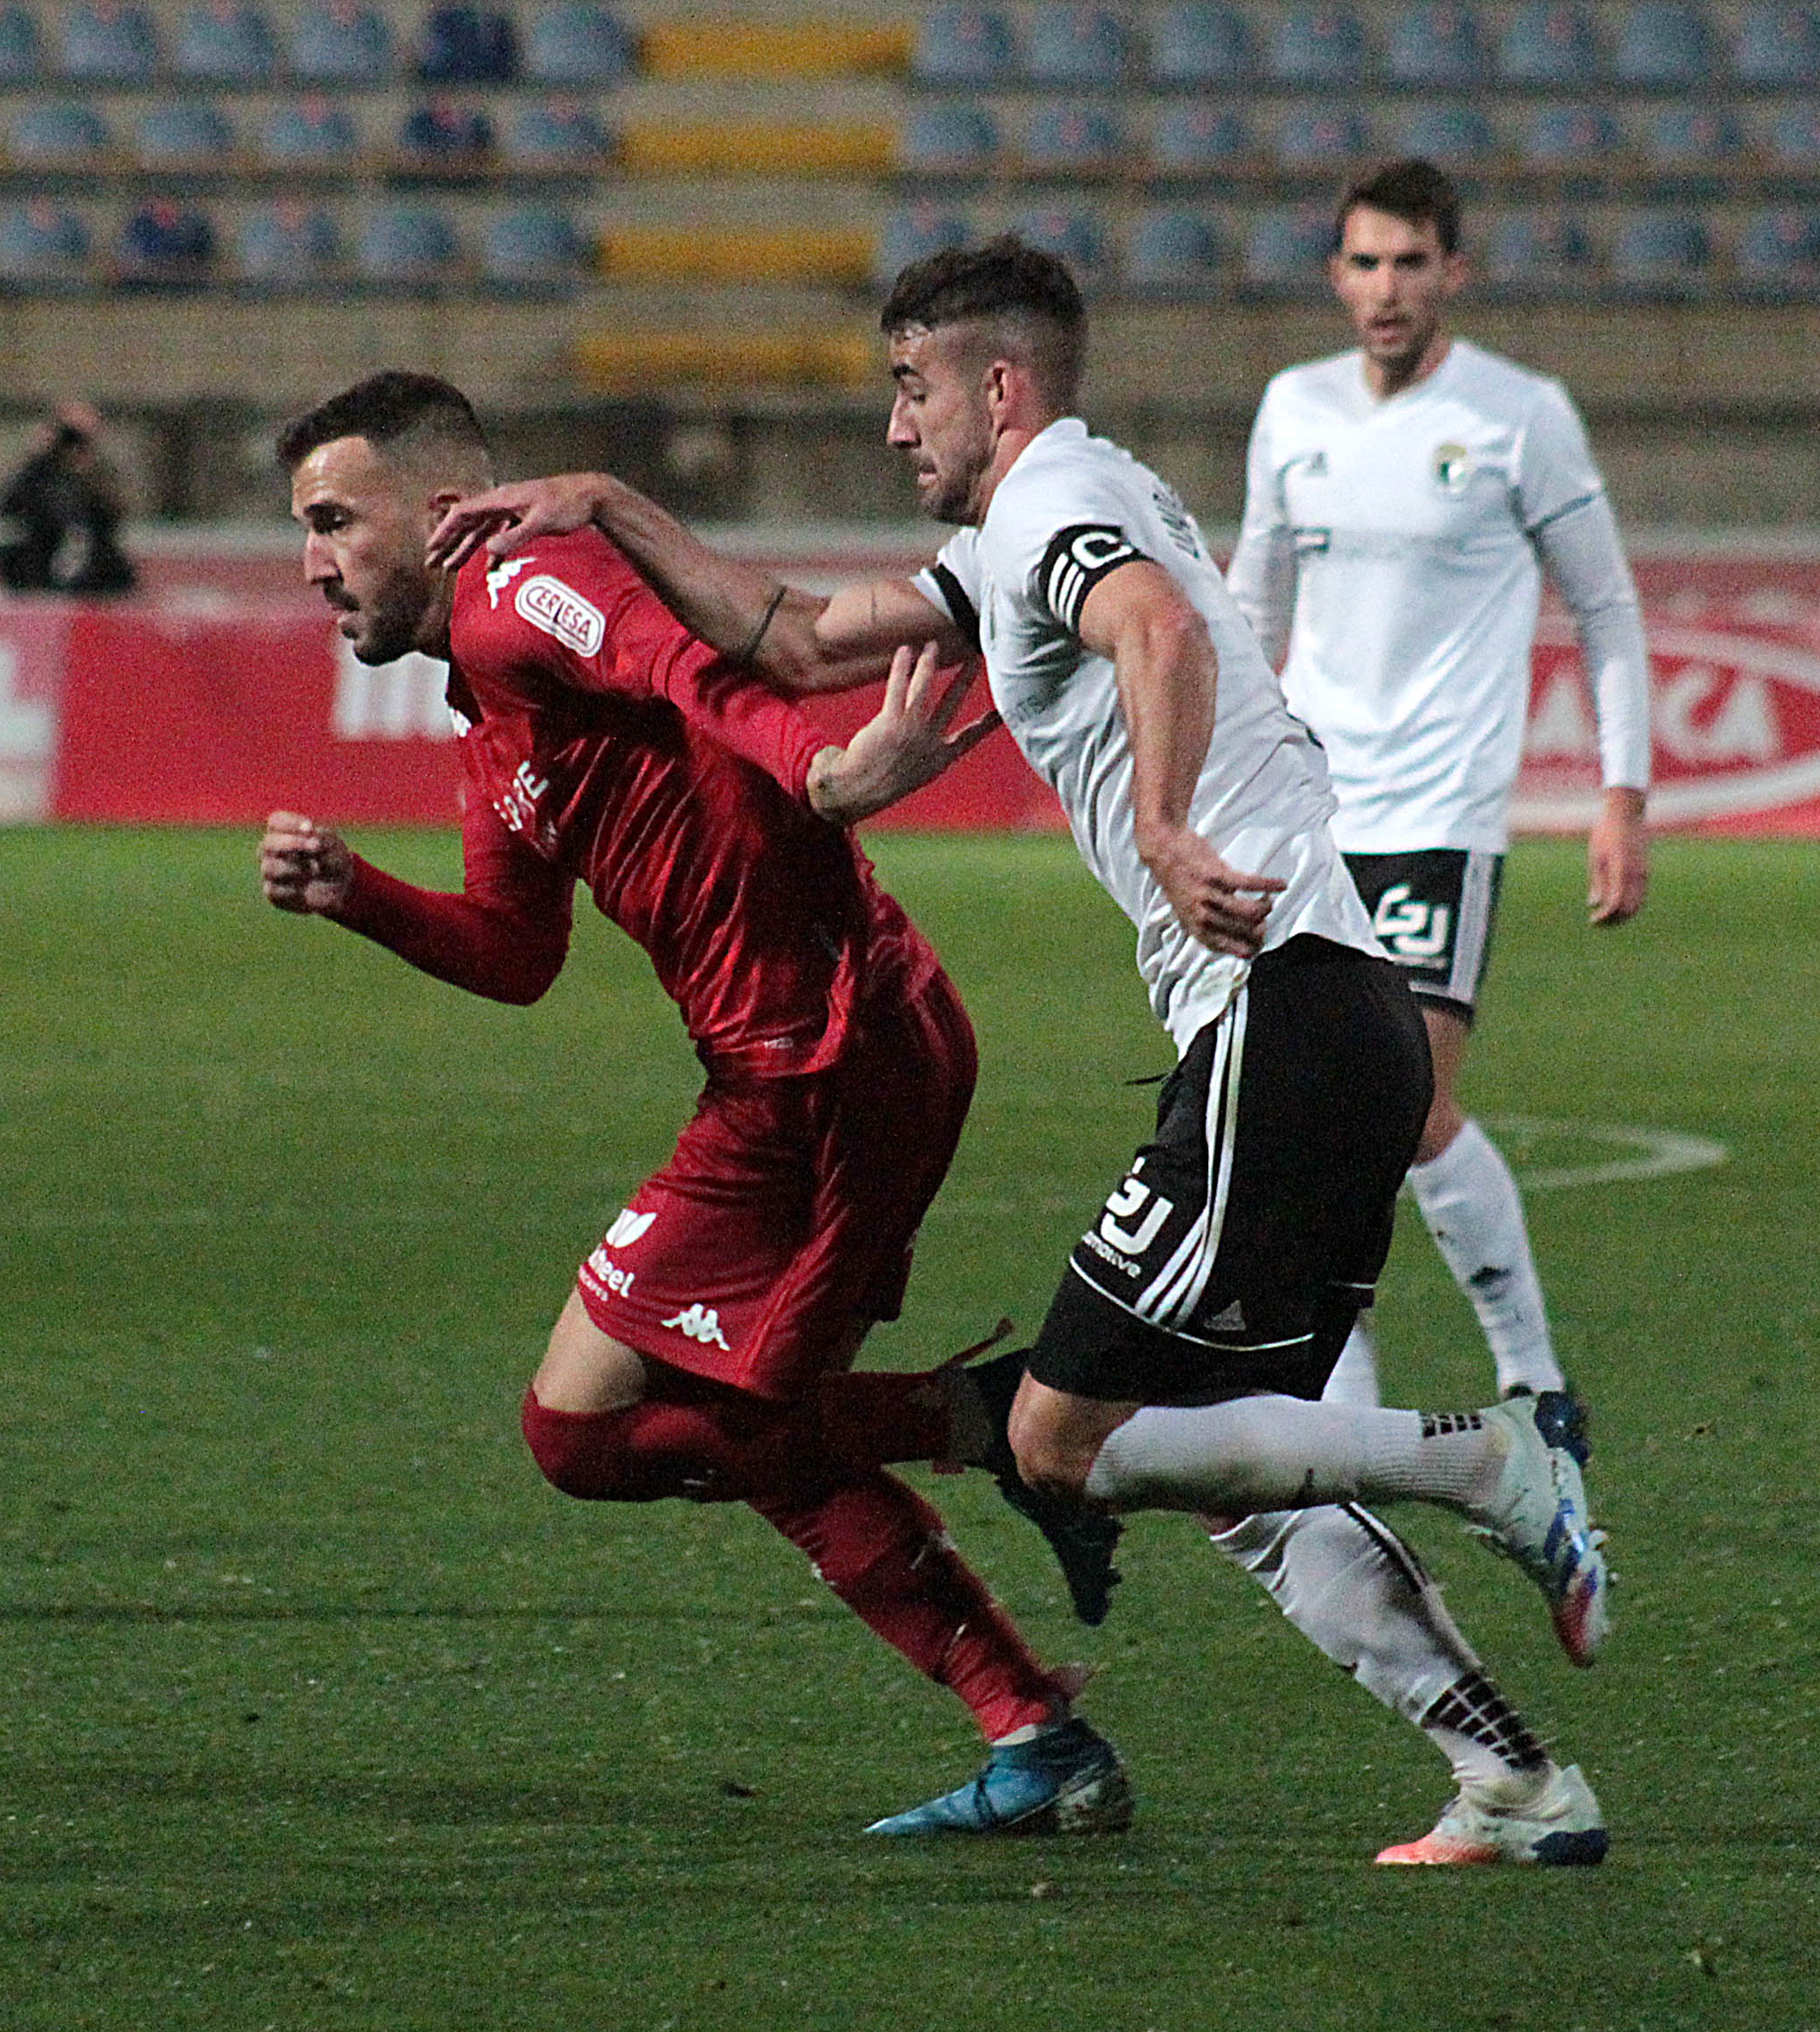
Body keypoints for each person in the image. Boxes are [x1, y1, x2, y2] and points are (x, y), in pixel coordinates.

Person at [429, 238, 1615, 1866]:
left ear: (1000, 385)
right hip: (1331, 1020)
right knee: (1235, 1467)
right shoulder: (1020, 530)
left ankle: (1487, 1463)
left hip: (1279, 1010)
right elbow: (789, 635)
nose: (894, 426)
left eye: (911, 387)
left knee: (1064, 1439)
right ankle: (1514, 1778)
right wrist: (616, 508)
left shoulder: (1056, 500)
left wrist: (1163, 815)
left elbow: (1155, 633)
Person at [259, 370, 1130, 1839]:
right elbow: (516, 948)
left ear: (436, 508)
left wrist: (837, 773)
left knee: (705, 1424)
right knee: (609, 1430)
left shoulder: (522, 585)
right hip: (785, 1071)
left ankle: (1037, 1695)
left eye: (335, 519)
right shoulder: (488, 690)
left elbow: (696, 672)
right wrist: (361, 899)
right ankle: (984, 1451)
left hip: (832, 1060)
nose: (311, 560)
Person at [1227, 160, 1653, 1435]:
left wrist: (1621, 796)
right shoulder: (1291, 409)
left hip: (1437, 818)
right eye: (1364, 264)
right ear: (1336, 275)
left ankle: (1533, 1378)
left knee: (1407, 1106)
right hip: (1310, 815)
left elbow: (1607, 606)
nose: (1386, 289)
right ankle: (1338, 1405)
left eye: (1411, 263)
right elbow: (1254, 606)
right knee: (1308, 1118)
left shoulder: (1520, 414)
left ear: (1453, 272)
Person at [0, 404, 136, 596]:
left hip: (94, 582)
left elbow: (112, 518)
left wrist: (90, 475)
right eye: (69, 437)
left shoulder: (99, 479)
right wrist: (38, 459)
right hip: (39, 578)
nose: (75, 447)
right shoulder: (36, 480)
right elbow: (9, 512)